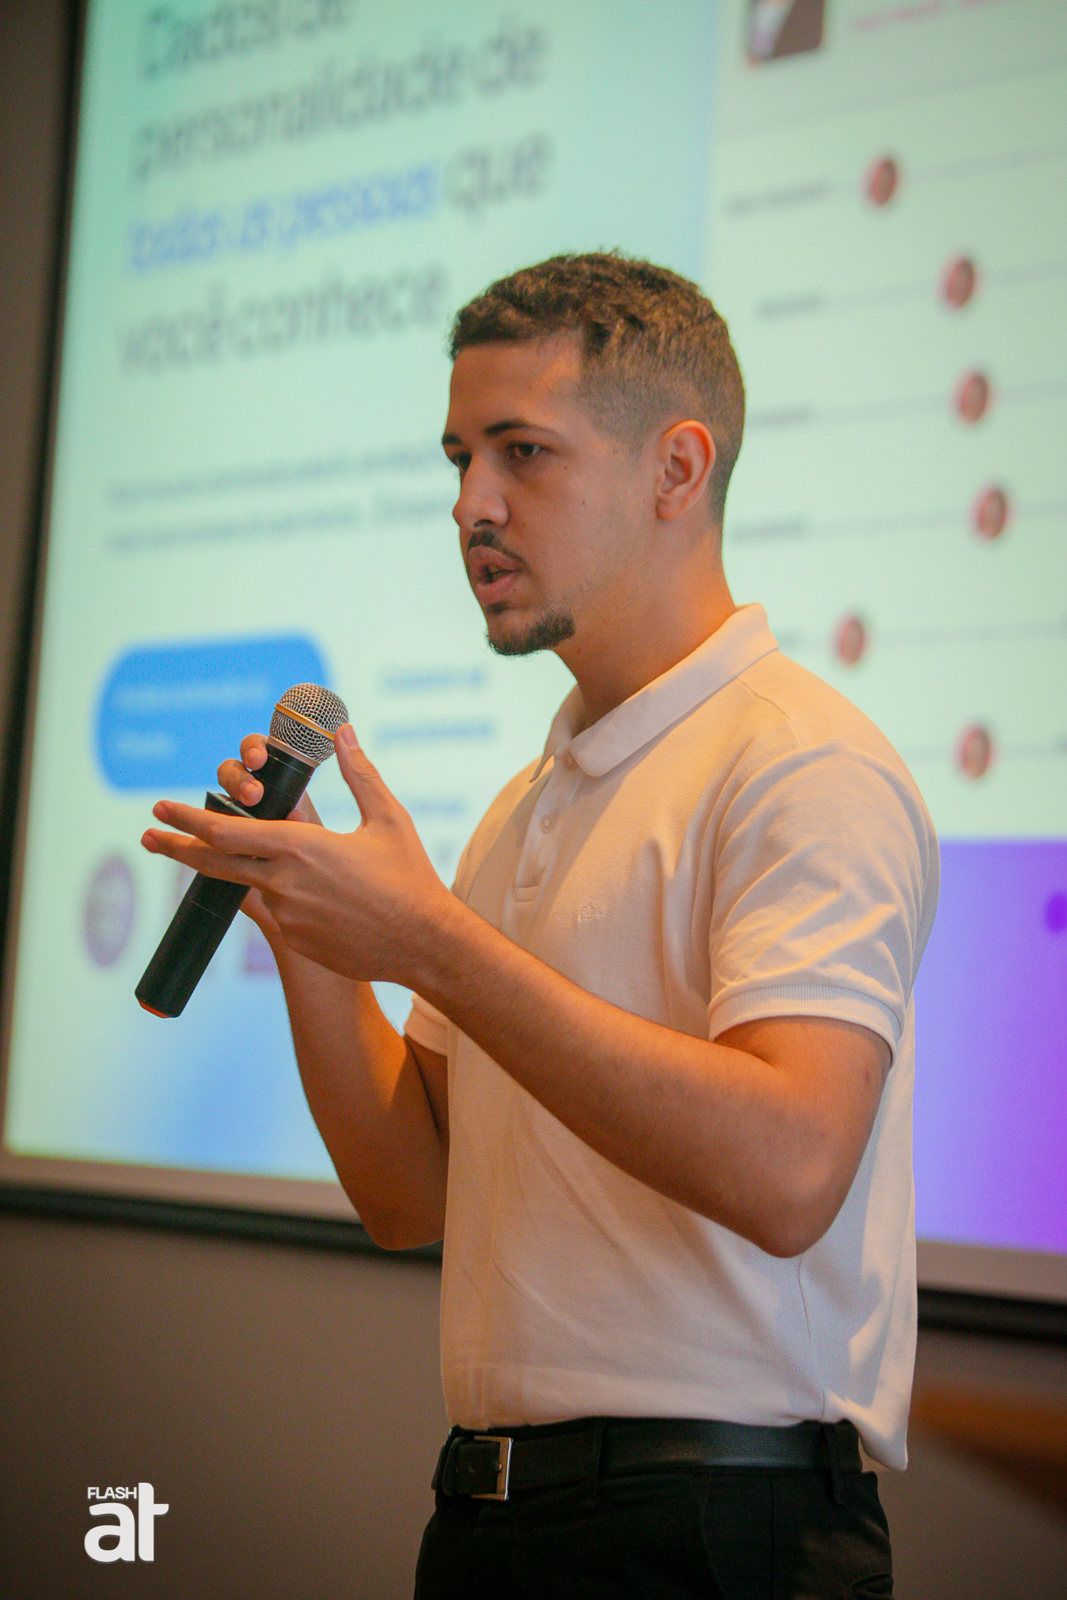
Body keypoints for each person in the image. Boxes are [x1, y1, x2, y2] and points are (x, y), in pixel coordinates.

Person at [142, 253, 939, 1597]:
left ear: (677, 469)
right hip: (491, 1517)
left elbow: (793, 1169)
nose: (471, 504)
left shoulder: (800, 760)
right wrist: (318, 936)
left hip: (717, 1528)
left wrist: (432, 944)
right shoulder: (528, 805)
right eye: (460, 459)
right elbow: (410, 1195)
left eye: (523, 452)